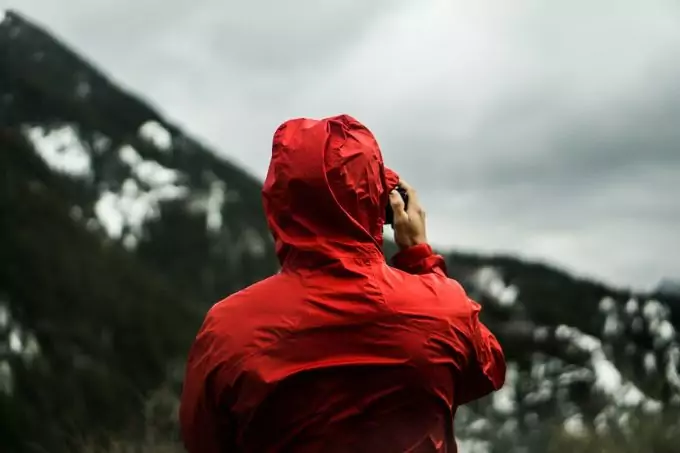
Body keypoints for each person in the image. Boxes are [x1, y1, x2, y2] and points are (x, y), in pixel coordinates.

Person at [179, 114, 506, 453]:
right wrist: (420, 258)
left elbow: (201, 439)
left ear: (278, 202)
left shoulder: (227, 329)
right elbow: (488, 370)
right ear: (379, 205)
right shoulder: (442, 309)